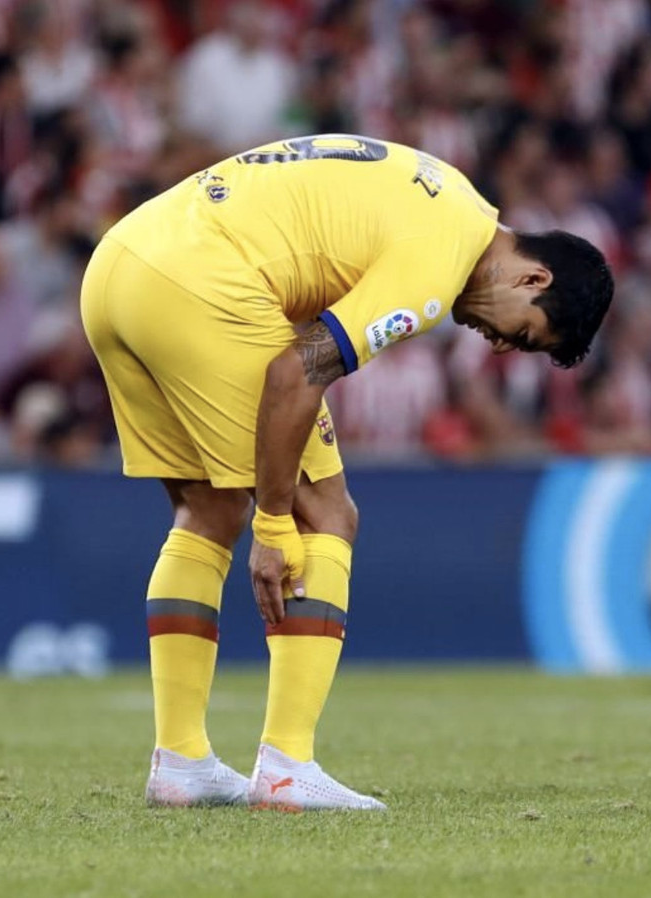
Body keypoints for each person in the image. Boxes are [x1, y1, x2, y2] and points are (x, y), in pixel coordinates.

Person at [80, 133, 613, 811]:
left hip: (119, 267)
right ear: (534, 277)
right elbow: (296, 370)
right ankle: (286, 767)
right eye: (524, 333)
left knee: (209, 509)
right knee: (327, 513)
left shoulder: (447, 193)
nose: (502, 345)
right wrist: (274, 524)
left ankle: (181, 760)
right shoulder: (438, 264)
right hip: (199, 282)